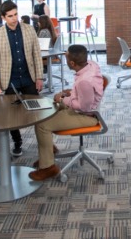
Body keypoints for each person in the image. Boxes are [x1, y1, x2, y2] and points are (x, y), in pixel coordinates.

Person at [29, 45, 104, 181]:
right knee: (43, 113)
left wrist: (63, 99)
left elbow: (84, 107)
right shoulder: (90, 65)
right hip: (82, 108)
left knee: (42, 125)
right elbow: (84, 93)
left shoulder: (84, 81)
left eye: (66, 57)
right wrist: (69, 92)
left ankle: (48, 168)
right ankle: (48, 152)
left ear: (72, 63)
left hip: (87, 116)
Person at [0, 1, 44, 157]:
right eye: (10, 16)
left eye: (15, 14)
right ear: (3, 17)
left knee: (38, 112)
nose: (14, 19)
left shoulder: (29, 29)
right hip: (9, 82)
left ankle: (45, 143)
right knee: (10, 116)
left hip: (29, 78)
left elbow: (36, 55)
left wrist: (39, 77)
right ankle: (17, 141)